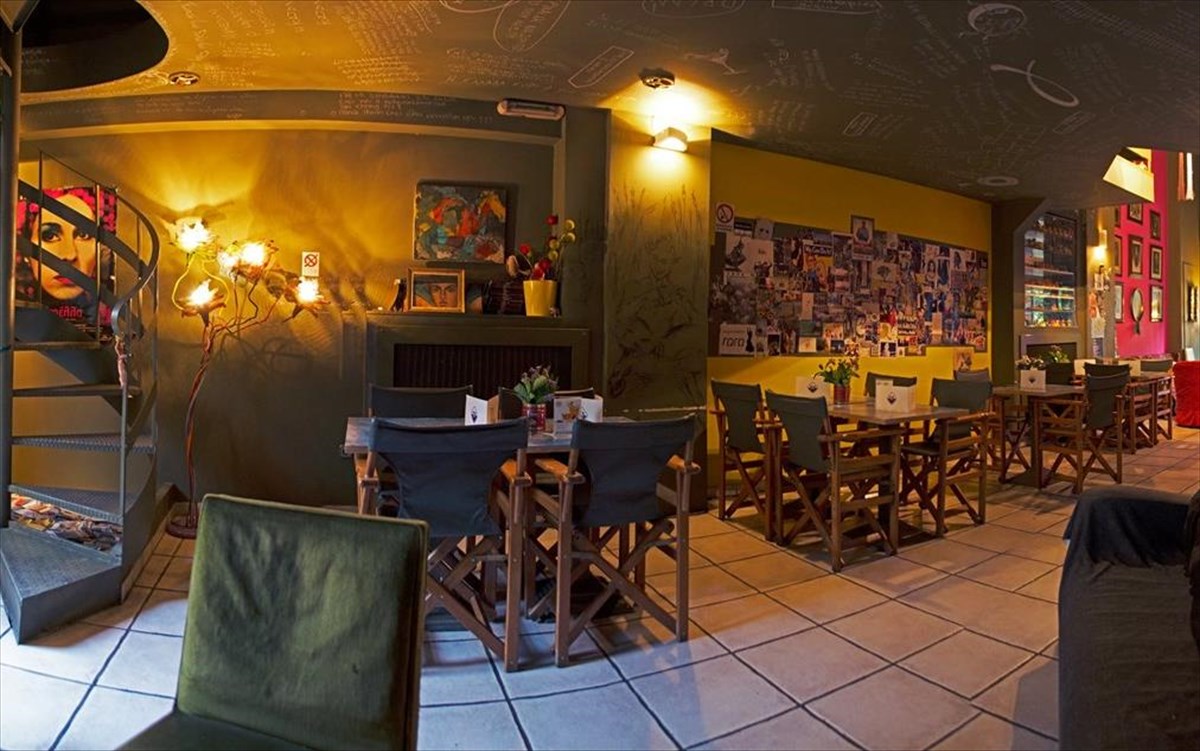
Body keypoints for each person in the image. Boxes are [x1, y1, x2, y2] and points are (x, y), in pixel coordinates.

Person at [15, 186, 115, 332]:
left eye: (83, 235)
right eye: (49, 236)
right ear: (26, 251)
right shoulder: (14, 316)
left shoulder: (102, 313)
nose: (69, 255)